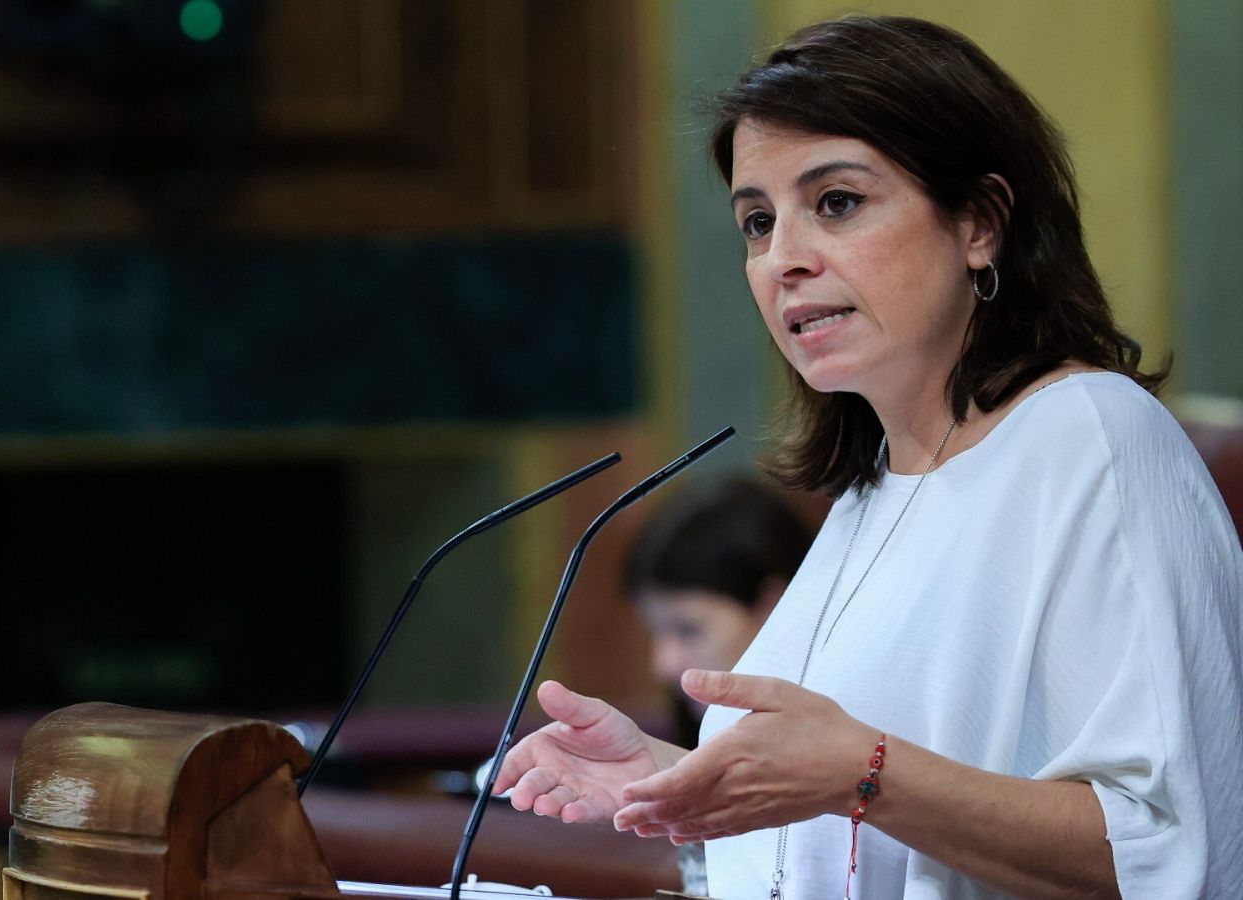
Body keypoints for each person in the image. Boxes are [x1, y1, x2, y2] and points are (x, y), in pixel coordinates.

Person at [493, 15, 1243, 899]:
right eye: (757, 222)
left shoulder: (1091, 440)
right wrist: (676, 784)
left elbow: (1169, 849)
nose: (783, 259)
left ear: (980, 222)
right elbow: (867, 801)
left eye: (837, 203)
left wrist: (863, 772)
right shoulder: (872, 489)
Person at [624, 477, 815, 746]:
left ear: (772, 606)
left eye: (688, 630)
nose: (664, 665)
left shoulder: (860, 741)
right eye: (655, 632)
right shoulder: (661, 744)